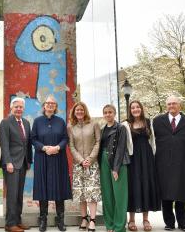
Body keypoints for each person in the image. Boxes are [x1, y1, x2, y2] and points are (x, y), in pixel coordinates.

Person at [153, 95, 185, 231]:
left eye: (174, 104)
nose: (171, 106)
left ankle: (183, 223)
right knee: (166, 195)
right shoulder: (157, 121)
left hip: (182, 163)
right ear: (166, 106)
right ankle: (169, 223)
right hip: (162, 163)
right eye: (169, 104)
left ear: (180, 105)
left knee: (181, 195)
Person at [31, 95, 72, 232]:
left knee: (59, 187)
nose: (50, 105)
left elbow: (65, 138)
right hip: (42, 158)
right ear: (44, 106)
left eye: (52, 104)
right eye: (48, 103)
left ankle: (60, 219)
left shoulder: (61, 121)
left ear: (55, 107)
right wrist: (44, 148)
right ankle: (43, 219)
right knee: (43, 188)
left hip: (58, 158)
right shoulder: (37, 121)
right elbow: (33, 139)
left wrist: (57, 148)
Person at [125, 101, 160, 232]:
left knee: (146, 185)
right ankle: (131, 220)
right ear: (130, 110)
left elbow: (153, 141)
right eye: (133, 107)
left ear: (141, 108)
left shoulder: (148, 122)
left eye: (137, 107)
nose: (135, 109)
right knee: (133, 186)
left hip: (147, 158)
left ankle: (146, 219)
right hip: (132, 158)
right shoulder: (126, 124)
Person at [0, 97, 33, 232]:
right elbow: (4, 144)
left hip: (23, 163)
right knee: (12, 195)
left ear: (23, 109)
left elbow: (28, 144)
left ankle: (17, 221)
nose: (19, 109)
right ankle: (10, 224)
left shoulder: (26, 122)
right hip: (11, 164)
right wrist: (8, 162)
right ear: (11, 108)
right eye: (16, 107)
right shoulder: (5, 122)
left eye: (21, 107)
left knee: (19, 195)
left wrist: (29, 160)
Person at [67, 102, 101, 232]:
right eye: (77, 110)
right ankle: (84, 218)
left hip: (92, 164)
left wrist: (90, 159)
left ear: (85, 111)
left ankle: (92, 220)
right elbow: (71, 146)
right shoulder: (71, 127)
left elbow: (98, 142)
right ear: (74, 112)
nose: (79, 112)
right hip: (78, 164)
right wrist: (81, 161)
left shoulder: (94, 124)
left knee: (92, 192)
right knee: (81, 193)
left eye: (81, 110)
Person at [99, 104, 131, 232]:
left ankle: (119, 226)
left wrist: (115, 168)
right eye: (105, 112)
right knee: (107, 195)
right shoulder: (102, 129)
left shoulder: (121, 128)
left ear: (115, 113)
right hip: (103, 161)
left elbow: (121, 148)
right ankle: (110, 225)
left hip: (118, 162)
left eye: (110, 112)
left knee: (120, 196)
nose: (108, 114)